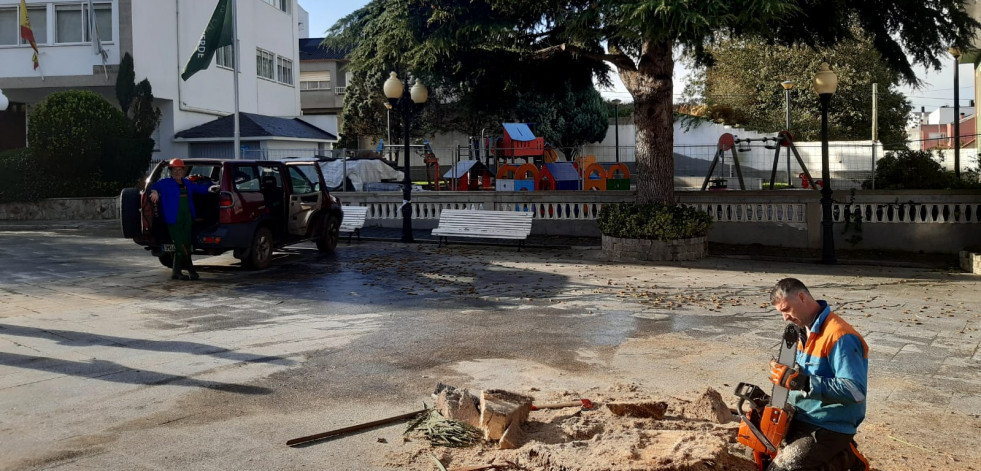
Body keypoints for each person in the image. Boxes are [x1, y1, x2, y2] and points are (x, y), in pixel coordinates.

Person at [767, 278, 870, 471]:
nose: (785, 318)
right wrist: (785, 373)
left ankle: (843, 458)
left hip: (830, 423)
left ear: (802, 297)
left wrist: (803, 382)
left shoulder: (840, 337)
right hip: (804, 414)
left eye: (786, 309)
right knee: (760, 449)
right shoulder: (801, 331)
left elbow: (856, 392)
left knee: (781, 469)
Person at [148, 159, 211, 281]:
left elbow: (201, 189)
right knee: (181, 245)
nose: (178, 172)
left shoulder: (187, 183)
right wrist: (154, 191)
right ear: (170, 171)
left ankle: (176, 272)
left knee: (185, 244)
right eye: (175, 170)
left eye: (180, 170)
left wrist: (212, 186)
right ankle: (191, 270)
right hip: (174, 219)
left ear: (183, 171)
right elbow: (152, 185)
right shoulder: (165, 183)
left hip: (187, 218)